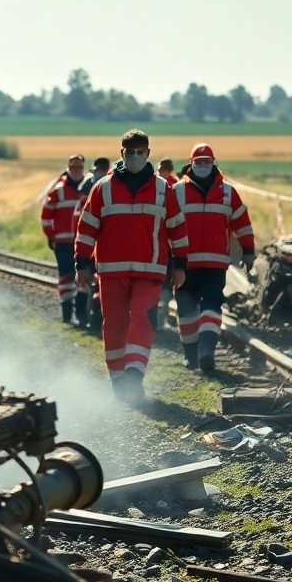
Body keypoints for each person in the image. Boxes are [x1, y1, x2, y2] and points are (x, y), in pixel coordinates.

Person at [75, 129, 188, 401]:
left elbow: (177, 228)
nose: (135, 156)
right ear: (121, 153)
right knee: (113, 324)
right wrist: (82, 264)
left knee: (142, 319)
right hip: (111, 272)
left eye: (140, 152)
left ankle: (134, 374)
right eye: (130, 152)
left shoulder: (163, 189)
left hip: (150, 272)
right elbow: (87, 227)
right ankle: (118, 380)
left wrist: (181, 265)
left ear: (148, 153)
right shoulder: (103, 188)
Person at [173, 143, 256, 372]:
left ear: (213, 162)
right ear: (191, 163)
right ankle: (191, 355)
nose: (202, 166)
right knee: (186, 312)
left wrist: (248, 251)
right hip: (185, 264)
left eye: (206, 162)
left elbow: (243, 224)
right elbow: (165, 227)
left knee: (211, 306)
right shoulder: (177, 191)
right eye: (198, 162)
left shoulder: (228, 192)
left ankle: (206, 351)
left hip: (215, 264)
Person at [41, 154, 89, 326]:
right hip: (62, 243)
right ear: (68, 167)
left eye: (79, 167)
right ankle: (67, 313)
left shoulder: (87, 189)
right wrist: (51, 235)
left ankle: (82, 315)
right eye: (73, 167)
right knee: (66, 276)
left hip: (82, 242)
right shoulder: (58, 190)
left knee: (83, 278)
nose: (76, 170)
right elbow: (46, 216)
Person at [76, 156, 113, 335]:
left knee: (96, 286)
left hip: (100, 249)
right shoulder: (92, 188)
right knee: (91, 285)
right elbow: (82, 221)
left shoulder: (99, 189)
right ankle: (90, 319)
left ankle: (94, 320)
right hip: (94, 249)